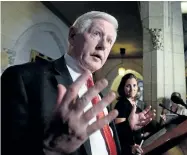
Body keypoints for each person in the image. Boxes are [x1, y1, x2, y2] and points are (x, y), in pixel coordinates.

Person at [2, 11, 155, 155]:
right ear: (72, 35)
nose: (103, 45)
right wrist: (52, 149)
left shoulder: (98, 95)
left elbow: (99, 142)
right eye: (97, 34)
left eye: (110, 41)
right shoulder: (23, 78)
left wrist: (127, 126)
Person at [114, 73, 155, 155]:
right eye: (128, 86)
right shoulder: (121, 104)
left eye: (134, 85)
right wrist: (131, 146)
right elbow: (118, 130)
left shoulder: (135, 104)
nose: (132, 89)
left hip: (139, 146)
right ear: (123, 88)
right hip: (128, 148)